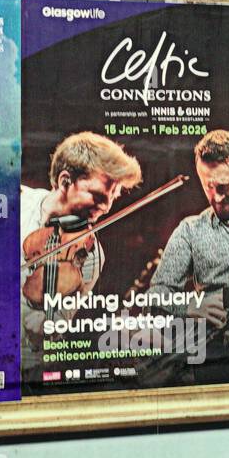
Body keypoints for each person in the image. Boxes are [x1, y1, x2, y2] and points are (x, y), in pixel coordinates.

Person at [145, 129, 229, 377]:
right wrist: (193, 306)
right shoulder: (190, 230)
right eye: (208, 186)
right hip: (217, 359)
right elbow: (156, 296)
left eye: (224, 186)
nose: (217, 197)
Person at [20, 132, 142, 379]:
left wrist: (42, 313)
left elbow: (52, 327)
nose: (106, 207)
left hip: (27, 368)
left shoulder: (90, 253)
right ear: (65, 181)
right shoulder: (15, 203)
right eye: (97, 195)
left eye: (112, 197)